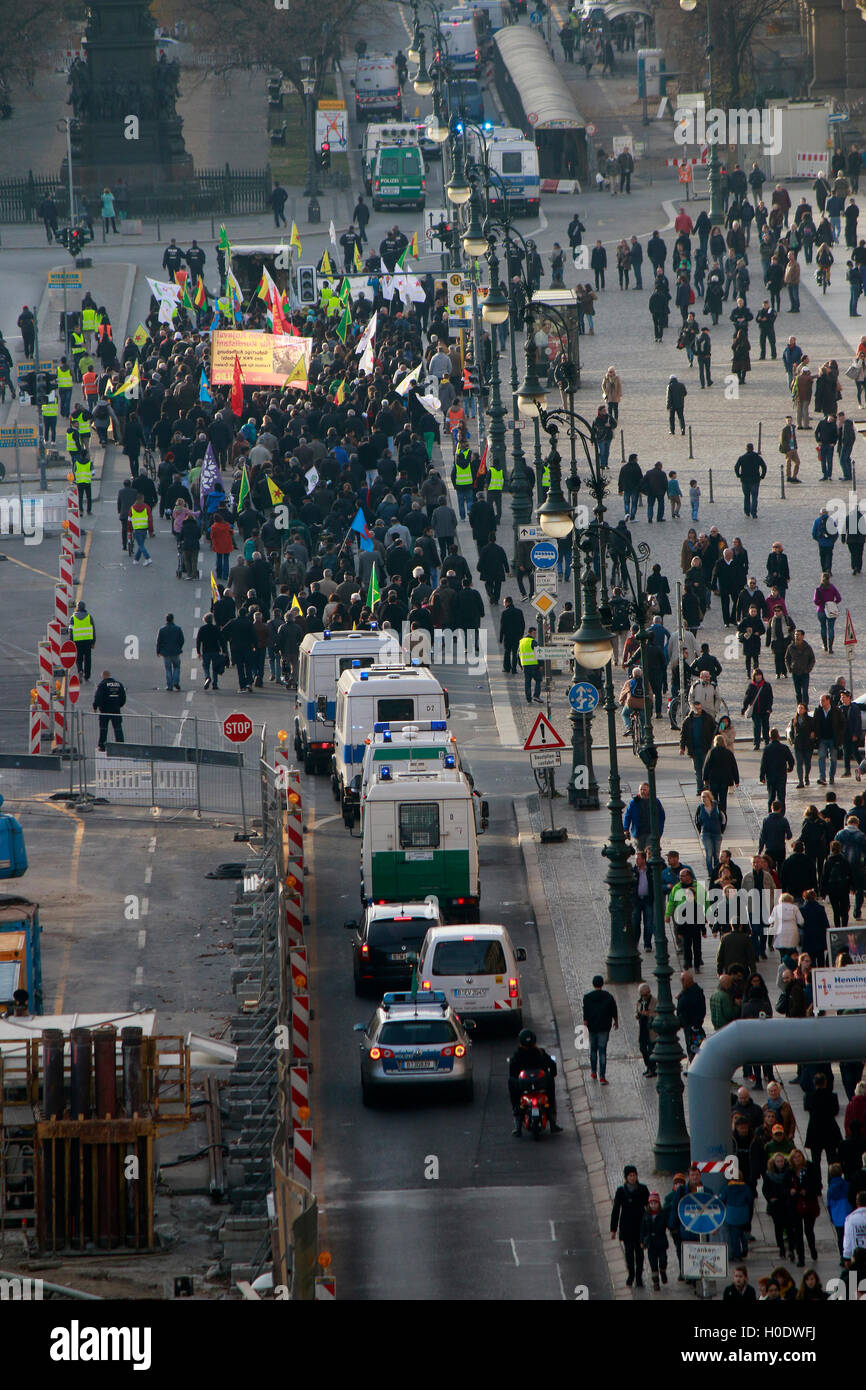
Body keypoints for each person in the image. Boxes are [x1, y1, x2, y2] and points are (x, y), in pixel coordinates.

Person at [508, 1028, 562, 1136]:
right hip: (541, 1084)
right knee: (550, 1097)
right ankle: (552, 1122)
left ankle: (517, 1123)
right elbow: (552, 1065)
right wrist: (552, 1074)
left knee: (513, 1090)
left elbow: (512, 1073)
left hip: (524, 1086)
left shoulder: (517, 1055)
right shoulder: (540, 1052)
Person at [610, 1165, 650, 1287]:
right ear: (626, 1177)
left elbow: (649, 1207)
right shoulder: (621, 1191)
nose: (633, 1177)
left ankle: (638, 1276)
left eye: (634, 1175)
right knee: (628, 1253)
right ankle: (631, 1274)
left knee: (639, 1253)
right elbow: (616, 1210)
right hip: (627, 1227)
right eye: (630, 1175)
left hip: (640, 1227)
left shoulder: (643, 1189)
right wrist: (613, 1229)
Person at [582, 974, 618, 1084]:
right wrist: (616, 1022)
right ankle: (602, 1076)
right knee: (602, 1051)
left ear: (593, 984)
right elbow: (614, 1011)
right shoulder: (608, 996)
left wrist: (586, 1022)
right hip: (604, 1027)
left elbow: (585, 1013)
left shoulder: (587, 997)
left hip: (592, 1027)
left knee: (593, 1050)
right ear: (602, 984)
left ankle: (593, 1071)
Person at [623, 781, 666, 850]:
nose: (642, 791)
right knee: (640, 853)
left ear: (649, 790)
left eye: (644, 789)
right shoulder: (634, 802)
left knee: (649, 851)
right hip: (638, 833)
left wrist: (659, 832)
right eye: (641, 789)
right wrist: (626, 829)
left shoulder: (655, 801)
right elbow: (628, 816)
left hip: (652, 833)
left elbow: (662, 817)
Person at [760, 730, 795, 812]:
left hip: (770, 775)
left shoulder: (767, 749)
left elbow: (763, 764)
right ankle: (781, 812)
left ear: (770, 737)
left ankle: (771, 811)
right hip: (781, 774)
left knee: (771, 796)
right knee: (781, 796)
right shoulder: (784, 748)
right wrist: (790, 768)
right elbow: (791, 760)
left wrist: (762, 776)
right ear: (778, 736)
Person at [92, 669, 126, 751]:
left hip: (105, 711)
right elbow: (123, 698)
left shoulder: (102, 685)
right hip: (116, 710)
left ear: (103, 676)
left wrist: (95, 706)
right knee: (118, 728)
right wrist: (118, 706)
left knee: (103, 729)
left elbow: (98, 697)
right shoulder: (119, 684)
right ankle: (120, 745)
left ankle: (102, 746)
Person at [641, 1193, 669, 1290]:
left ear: (658, 1203)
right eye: (651, 1203)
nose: (653, 1205)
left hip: (661, 1242)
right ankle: (656, 1283)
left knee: (663, 1261)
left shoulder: (663, 1214)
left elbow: (668, 1224)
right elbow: (642, 1229)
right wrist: (642, 1241)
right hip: (651, 1244)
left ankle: (663, 1271)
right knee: (653, 1264)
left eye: (655, 1203)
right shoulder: (646, 1215)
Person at [734, 442, 767, 519]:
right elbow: (764, 466)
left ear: (746, 449)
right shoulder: (757, 457)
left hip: (745, 480)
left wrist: (738, 475)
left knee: (746, 496)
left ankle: (747, 511)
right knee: (754, 497)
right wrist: (762, 476)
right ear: (753, 448)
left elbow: (736, 467)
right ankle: (754, 512)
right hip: (755, 480)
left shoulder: (742, 458)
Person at [156, 613, 184, 692]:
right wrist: (179, 647)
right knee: (177, 667)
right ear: (172, 619)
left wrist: (158, 651)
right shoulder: (178, 629)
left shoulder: (162, 629)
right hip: (175, 651)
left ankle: (169, 685)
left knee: (168, 669)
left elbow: (159, 641)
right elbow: (181, 640)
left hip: (165, 652)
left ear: (166, 620)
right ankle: (175, 681)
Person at [635, 983, 657, 1077]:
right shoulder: (639, 1002)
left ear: (649, 992)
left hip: (651, 1030)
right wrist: (638, 1015)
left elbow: (658, 1015)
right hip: (642, 1029)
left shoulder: (655, 1001)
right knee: (643, 1049)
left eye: (646, 994)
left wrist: (649, 1015)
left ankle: (652, 1069)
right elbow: (637, 1011)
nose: (644, 997)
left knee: (651, 1050)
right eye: (642, 995)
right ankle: (648, 1066)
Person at [69, 601, 95, 681]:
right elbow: (93, 630)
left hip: (77, 641)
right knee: (88, 659)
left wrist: (71, 642)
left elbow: (71, 631)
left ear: (77, 608)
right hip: (87, 641)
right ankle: (87, 675)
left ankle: (80, 670)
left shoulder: (73, 618)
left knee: (79, 658)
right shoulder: (89, 617)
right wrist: (93, 642)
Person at [499, 595, 524, 674]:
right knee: (514, 652)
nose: (504, 604)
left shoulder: (504, 613)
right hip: (517, 636)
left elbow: (502, 626)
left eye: (504, 602)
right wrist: (521, 634)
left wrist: (501, 638)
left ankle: (507, 668)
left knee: (507, 652)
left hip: (508, 636)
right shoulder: (519, 611)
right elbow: (522, 624)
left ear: (507, 603)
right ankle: (514, 669)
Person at [518, 625, 541, 704]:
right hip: (534, 665)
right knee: (538, 680)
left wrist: (520, 665)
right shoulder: (533, 642)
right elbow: (539, 654)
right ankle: (536, 696)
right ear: (530, 633)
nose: (535, 635)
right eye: (534, 633)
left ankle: (528, 698)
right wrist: (541, 665)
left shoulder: (521, 642)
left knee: (527, 682)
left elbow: (518, 654)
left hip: (525, 665)